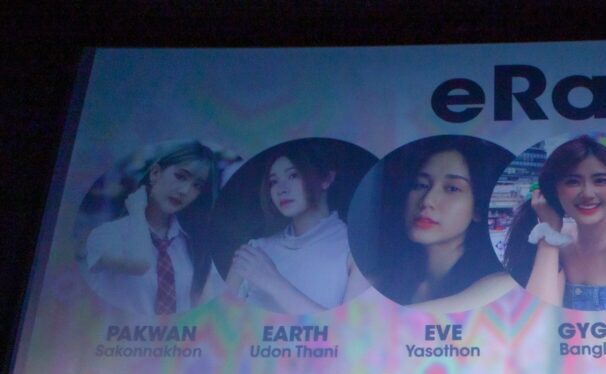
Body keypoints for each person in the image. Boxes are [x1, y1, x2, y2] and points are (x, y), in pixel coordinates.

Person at [502, 136, 606, 310]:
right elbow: (538, 316)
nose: (587, 193)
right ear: (555, 190)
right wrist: (549, 232)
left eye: (600, 180)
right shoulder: (558, 238)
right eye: (573, 182)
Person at [363, 137, 514, 311]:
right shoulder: (380, 281)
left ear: (478, 209)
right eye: (421, 185)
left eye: (452, 188)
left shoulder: (503, 285)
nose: (427, 200)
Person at [225, 139, 368, 313]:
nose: (281, 189)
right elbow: (218, 322)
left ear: (326, 178)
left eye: (293, 175)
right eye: (273, 181)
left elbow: (349, 329)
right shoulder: (255, 251)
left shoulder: (355, 251)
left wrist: (272, 282)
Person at [84, 141, 220, 315]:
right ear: (155, 173)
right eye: (180, 176)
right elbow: (139, 263)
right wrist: (137, 212)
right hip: (120, 333)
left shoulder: (193, 243)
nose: (185, 190)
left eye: (197, 186)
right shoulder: (108, 234)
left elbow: (203, 309)